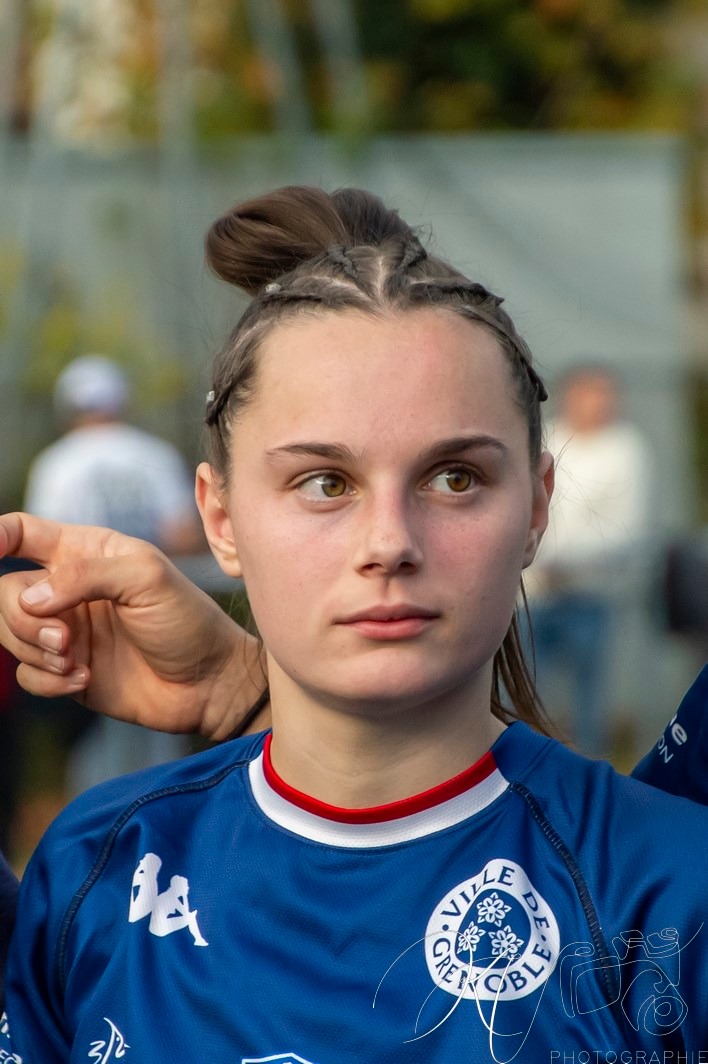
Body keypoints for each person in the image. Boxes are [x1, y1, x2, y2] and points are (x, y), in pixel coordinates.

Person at [3, 187, 708, 1061]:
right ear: (218, 519)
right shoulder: (96, 867)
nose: (388, 544)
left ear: (538, 507)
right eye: (324, 483)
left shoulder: (669, 895)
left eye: (454, 478)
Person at [24, 354, 205, 790]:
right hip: (159, 613)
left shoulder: (57, 462)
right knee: (164, 736)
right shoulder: (152, 454)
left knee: (93, 749)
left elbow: (39, 548)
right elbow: (184, 534)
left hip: (86, 624)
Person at [525, 364, 653, 755]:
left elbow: (628, 530)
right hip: (531, 592)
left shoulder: (626, 448)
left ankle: (586, 776)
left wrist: (565, 560)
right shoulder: (546, 436)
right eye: (588, 393)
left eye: (604, 393)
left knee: (588, 700)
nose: (597, 403)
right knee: (527, 692)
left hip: (590, 593)